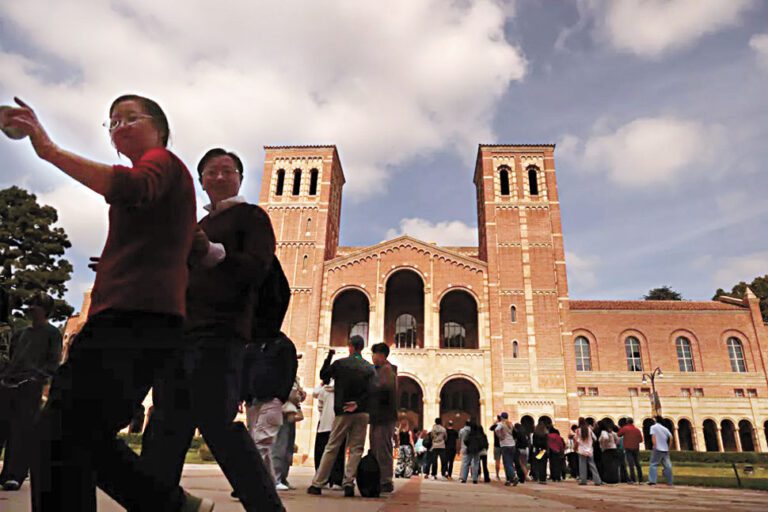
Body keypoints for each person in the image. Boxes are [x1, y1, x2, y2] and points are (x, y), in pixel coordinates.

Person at [6, 95, 215, 511]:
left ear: (159, 129)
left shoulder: (163, 162)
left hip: (132, 319)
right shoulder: (168, 184)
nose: (118, 127)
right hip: (138, 318)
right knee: (78, 436)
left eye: (130, 118)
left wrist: (48, 150)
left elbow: (131, 187)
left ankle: (169, 505)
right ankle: (169, 504)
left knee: (58, 434)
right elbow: (187, 240)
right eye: (113, 122)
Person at [136, 147, 284, 511]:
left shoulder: (251, 217)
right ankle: (156, 505)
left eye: (227, 171)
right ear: (201, 181)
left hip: (220, 332)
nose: (219, 177)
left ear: (239, 178)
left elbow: (257, 267)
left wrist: (213, 252)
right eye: (211, 172)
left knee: (218, 425)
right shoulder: (194, 226)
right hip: (179, 334)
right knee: (165, 427)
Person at [242, 258, 298, 491]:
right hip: (253, 400)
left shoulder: (284, 345)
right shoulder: (253, 344)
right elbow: (245, 369)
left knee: (260, 442)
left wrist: (280, 397)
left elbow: (289, 371)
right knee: (259, 443)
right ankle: (269, 483)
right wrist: (242, 394)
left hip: (271, 400)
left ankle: (249, 484)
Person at [0, 294, 61, 491]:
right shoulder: (20, 333)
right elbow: (12, 356)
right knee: (3, 425)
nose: (31, 308)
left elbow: (53, 361)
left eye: (36, 305)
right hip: (9, 382)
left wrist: (38, 377)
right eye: (30, 304)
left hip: (30, 386)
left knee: (22, 429)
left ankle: (14, 474)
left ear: (45, 310)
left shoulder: (52, 333)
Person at [307, 335, 376, 497]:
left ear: (350, 346)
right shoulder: (369, 367)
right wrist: (358, 404)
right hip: (362, 411)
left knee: (332, 446)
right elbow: (374, 390)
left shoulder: (340, 364)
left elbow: (324, 375)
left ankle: (318, 483)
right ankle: (348, 484)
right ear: (362, 347)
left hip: (343, 410)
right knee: (356, 449)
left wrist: (329, 356)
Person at [368, 342, 398, 493]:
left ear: (381, 355)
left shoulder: (386, 370)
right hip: (378, 416)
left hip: (383, 417)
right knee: (376, 448)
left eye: (374, 354)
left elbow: (382, 389)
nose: (372, 358)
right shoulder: (381, 370)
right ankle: (380, 478)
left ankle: (385, 480)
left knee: (382, 448)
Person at [311, 366, 345, 487]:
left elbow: (319, 403)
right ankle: (337, 480)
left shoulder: (324, 389)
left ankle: (322, 478)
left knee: (322, 452)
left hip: (324, 423)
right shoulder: (343, 389)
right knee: (339, 452)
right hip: (339, 423)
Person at [272, 376, 305, 490]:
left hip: (290, 414)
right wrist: (299, 395)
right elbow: (291, 394)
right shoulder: (284, 373)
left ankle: (283, 478)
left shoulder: (294, 376)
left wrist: (300, 394)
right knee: (280, 445)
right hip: (282, 412)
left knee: (288, 447)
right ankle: (276, 478)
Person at [575, 417, 602, 486]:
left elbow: (576, 440)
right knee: (592, 465)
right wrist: (590, 444)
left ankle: (583, 480)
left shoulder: (578, 430)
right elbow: (595, 438)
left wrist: (575, 448)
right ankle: (597, 480)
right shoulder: (589, 429)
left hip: (581, 450)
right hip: (590, 450)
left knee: (582, 465)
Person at [647, 416, 673, 486]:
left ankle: (652, 481)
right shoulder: (665, 429)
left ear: (656, 420)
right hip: (665, 449)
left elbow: (653, 436)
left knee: (653, 464)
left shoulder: (653, 427)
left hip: (657, 448)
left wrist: (655, 446)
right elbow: (671, 438)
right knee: (668, 466)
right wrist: (669, 447)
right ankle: (670, 482)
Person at [494, 413, 518, 486]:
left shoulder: (501, 424)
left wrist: (500, 436)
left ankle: (513, 476)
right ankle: (509, 480)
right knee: (510, 462)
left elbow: (496, 430)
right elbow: (515, 433)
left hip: (505, 445)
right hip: (512, 444)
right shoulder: (510, 424)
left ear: (501, 417)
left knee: (506, 463)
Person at [618, 418, 644, 483]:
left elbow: (619, 434)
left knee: (631, 464)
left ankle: (633, 479)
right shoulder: (637, 429)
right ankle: (640, 479)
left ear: (627, 422)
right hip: (636, 447)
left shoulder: (625, 428)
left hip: (628, 447)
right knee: (637, 463)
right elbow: (641, 440)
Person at [598, 420, 620, 484]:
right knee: (614, 465)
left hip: (607, 450)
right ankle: (615, 479)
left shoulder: (603, 432)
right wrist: (615, 444)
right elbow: (618, 439)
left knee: (607, 466)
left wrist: (604, 445)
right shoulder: (613, 433)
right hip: (614, 449)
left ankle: (608, 479)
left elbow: (605, 438)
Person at [489, 416, 503, 481]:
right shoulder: (504, 425)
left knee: (497, 461)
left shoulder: (496, 426)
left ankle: (497, 475)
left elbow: (490, 428)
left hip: (497, 446)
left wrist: (495, 423)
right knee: (506, 461)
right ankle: (508, 475)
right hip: (504, 445)